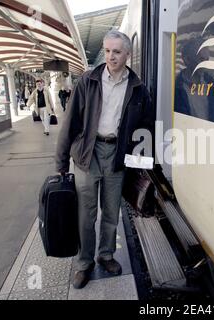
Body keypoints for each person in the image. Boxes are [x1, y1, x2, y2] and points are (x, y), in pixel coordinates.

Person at [55, 30, 154, 289]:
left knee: (111, 212)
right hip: (88, 153)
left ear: (128, 55)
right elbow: (70, 123)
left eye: (117, 52)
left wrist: (143, 162)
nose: (111, 56)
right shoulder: (88, 81)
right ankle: (84, 263)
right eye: (107, 51)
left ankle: (106, 255)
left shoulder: (138, 88)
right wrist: (61, 163)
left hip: (116, 155)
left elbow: (145, 127)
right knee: (86, 215)